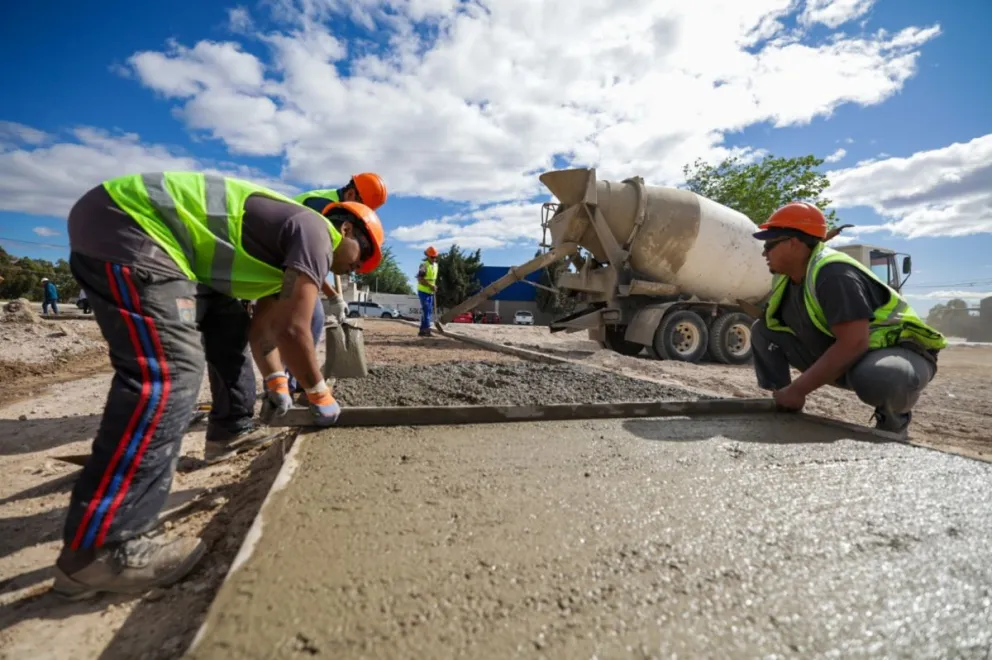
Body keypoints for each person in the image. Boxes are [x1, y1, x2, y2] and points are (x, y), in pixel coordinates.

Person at [55, 171, 385, 599]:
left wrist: (276, 382)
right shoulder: (315, 231)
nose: (354, 268)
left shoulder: (280, 261)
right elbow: (294, 329)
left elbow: (264, 332)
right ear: (346, 229)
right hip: (132, 225)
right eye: (361, 258)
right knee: (170, 371)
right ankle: (102, 549)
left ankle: (226, 434)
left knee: (224, 327)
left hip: (138, 233)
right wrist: (319, 392)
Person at [749, 202, 947, 436]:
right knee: (763, 331)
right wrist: (790, 392)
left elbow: (854, 342)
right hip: (852, 355)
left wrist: (800, 389)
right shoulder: (786, 278)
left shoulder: (834, 274)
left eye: (769, 245)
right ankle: (783, 401)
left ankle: (893, 425)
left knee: (884, 377)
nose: (764, 253)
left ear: (793, 243)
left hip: (896, 351)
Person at [416, 246, 439, 337]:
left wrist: (434, 286)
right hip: (423, 291)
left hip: (430, 292)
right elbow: (420, 279)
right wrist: (430, 285)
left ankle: (422, 330)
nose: (434, 259)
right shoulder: (423, 266)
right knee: (426, 310)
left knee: (428, 311)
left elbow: (433, 279)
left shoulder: (436, 266)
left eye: (435, 257)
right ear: (428, 256)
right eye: (432, 257)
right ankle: (427, 330)